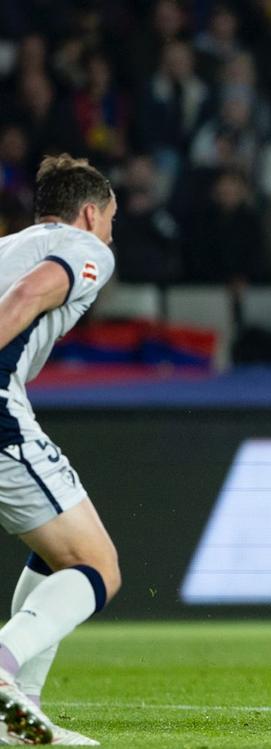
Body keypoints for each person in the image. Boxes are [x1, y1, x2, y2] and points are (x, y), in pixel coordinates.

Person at [0, 154, 123, 745]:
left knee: (58, 552)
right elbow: (27, 295)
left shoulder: (4, 246)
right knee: (97, 567)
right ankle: (4, 668)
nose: (109, 238)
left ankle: (23, 711)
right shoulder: (83, 246)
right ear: (90, 212)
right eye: (111, 223)